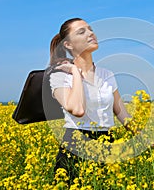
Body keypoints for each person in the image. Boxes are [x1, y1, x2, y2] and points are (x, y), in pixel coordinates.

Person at [48, 18, 132, 184]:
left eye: (90, 29)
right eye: (82, 32)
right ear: (68, 45)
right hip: (75, 144)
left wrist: (144, 137)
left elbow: (122, 113)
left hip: (106, 143)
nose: (91, 33)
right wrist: (75, 73)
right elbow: (77, 110)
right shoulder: (59, 76)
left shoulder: (107, 75)